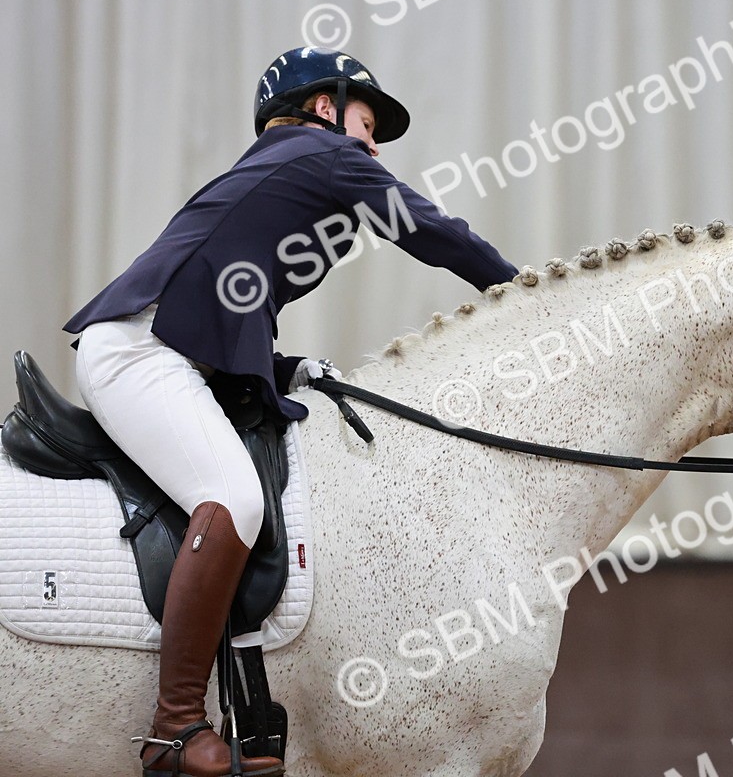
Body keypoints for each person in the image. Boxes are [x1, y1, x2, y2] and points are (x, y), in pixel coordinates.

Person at [63, 46, 518, 777]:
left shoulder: (280, 176)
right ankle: (174, 725)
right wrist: (522, 296)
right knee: (235, 497)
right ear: (324, 108)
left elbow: (218, 309)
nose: (373, 146)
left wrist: (285, 367)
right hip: (139, 354)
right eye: (367, 124)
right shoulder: (324, 153)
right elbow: (434, 232)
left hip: (162, 349)